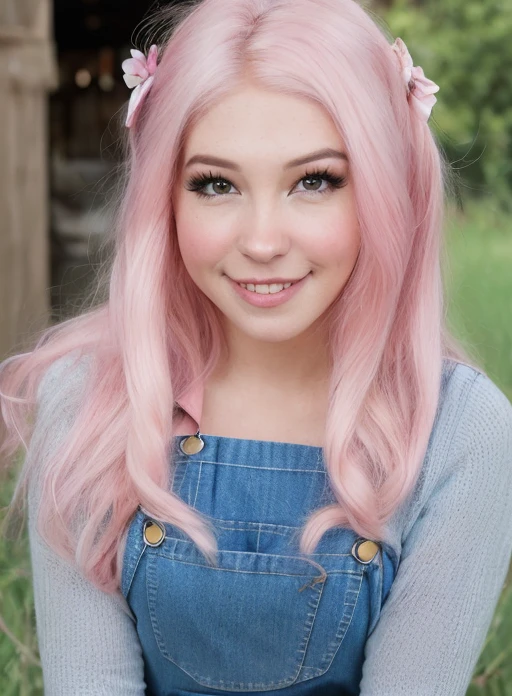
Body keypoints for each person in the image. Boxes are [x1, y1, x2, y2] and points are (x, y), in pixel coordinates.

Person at [1, 0, 511, 694]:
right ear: (165, 200)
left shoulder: (462, 432)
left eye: (315, 181)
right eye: (216, 184)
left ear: (384, 192)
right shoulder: (87, 403)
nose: (263, 240)